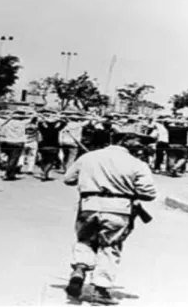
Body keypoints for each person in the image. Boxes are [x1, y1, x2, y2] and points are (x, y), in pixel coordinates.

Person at [63, 132, 157, 305]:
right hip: (119, 209)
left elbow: (68, 179)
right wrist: (127, 189)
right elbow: (149, 193)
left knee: (85, 240)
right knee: (110, 246)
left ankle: (80, 268)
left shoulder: (89, 157)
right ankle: (100, 289)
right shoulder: (137, 164)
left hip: (89, 205)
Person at [0, 111, 32, 180]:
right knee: (14, 160)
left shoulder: (7, 123)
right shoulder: (23, 123)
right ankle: (8, 173)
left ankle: (11, 174)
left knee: (9, 159)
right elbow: (33, 117)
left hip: (7, 142)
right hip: (17, 143)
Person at [37, 114, 66, 181]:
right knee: (51, 162)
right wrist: (59, 120)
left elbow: (39, 124)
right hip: (53, 146)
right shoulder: (56, 130)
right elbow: (64, 124)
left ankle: (45, 173)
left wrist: (43, 119)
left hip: (43, 146)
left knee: (44, 160)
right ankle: (45, 173)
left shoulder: (43, 129)